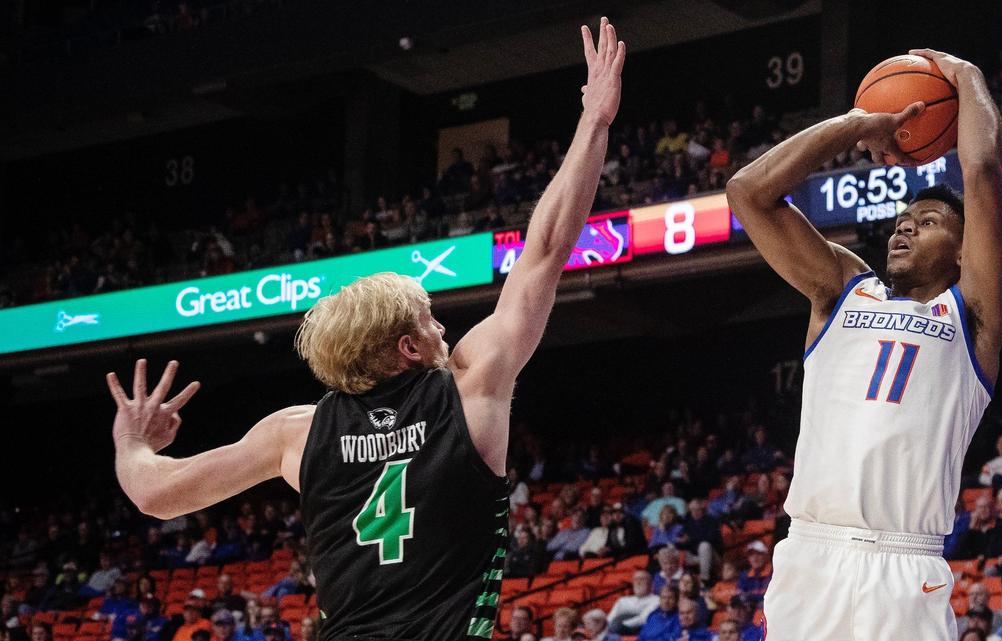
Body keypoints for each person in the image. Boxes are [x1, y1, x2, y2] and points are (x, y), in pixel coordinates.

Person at [106, 18, 627, 641]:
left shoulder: (294, 434)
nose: (443, 329)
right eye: (431, 321)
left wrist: (133, 442)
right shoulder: (468, 387)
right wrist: (593, 121)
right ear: (408, 347)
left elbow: (156, 496)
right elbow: (545, 248)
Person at [726, 49, 1002, 641]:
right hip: (811, 554)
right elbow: (748, 191)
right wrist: (857, 125)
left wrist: (966, 77)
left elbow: (982, 170)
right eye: (904, 218)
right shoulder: (842, 291)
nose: (906, 225)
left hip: (906, 564)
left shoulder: (975, 313)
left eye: (929, 220)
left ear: (965, 252)